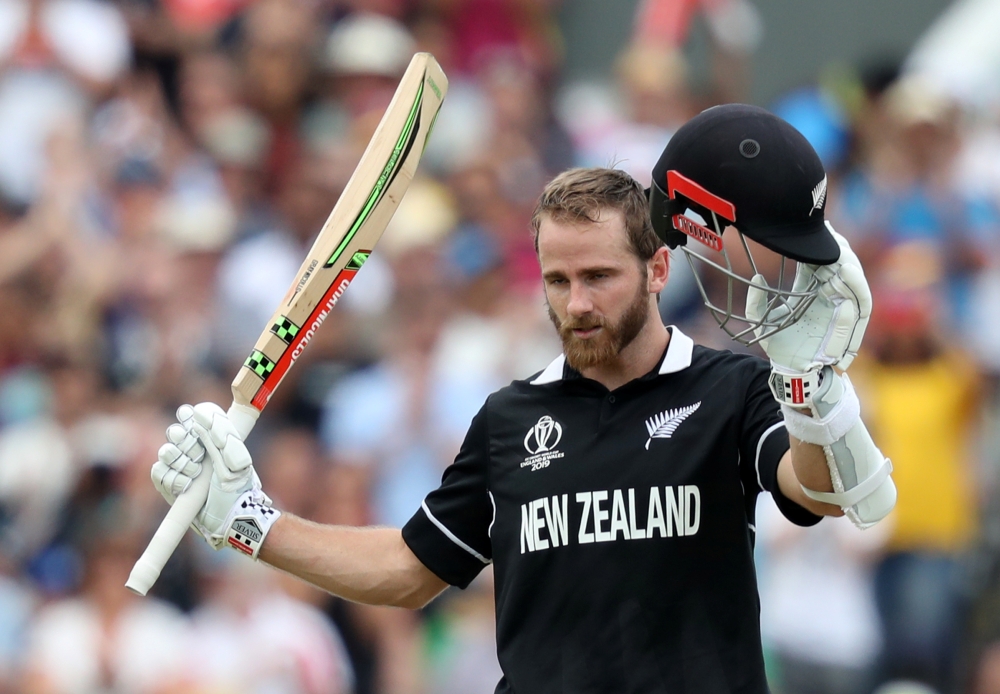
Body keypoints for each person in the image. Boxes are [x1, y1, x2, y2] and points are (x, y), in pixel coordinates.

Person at [150, 104, 897, 694]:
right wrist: (251, 523)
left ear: (657, 268)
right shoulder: (510, 418)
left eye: (599, 276)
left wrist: (810, 393)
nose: (576, 304)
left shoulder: (731, 390)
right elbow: (411, 569)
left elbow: (820, 491)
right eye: (557, 280)